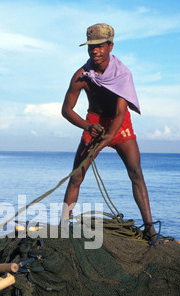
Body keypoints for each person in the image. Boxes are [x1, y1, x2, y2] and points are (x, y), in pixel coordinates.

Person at [61, 23, 157, 243]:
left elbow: (121, 112)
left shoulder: (122, 74)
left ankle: (150, 229)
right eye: (91, 47)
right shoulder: (82, 76)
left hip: (119, 123)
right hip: (93, 121)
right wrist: (88, 126)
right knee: (76, 176)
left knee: (135, 172)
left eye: (100, 46)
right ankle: (63, 226)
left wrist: (107, 138)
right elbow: (66, 110)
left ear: (110, 46)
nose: (95, 50)